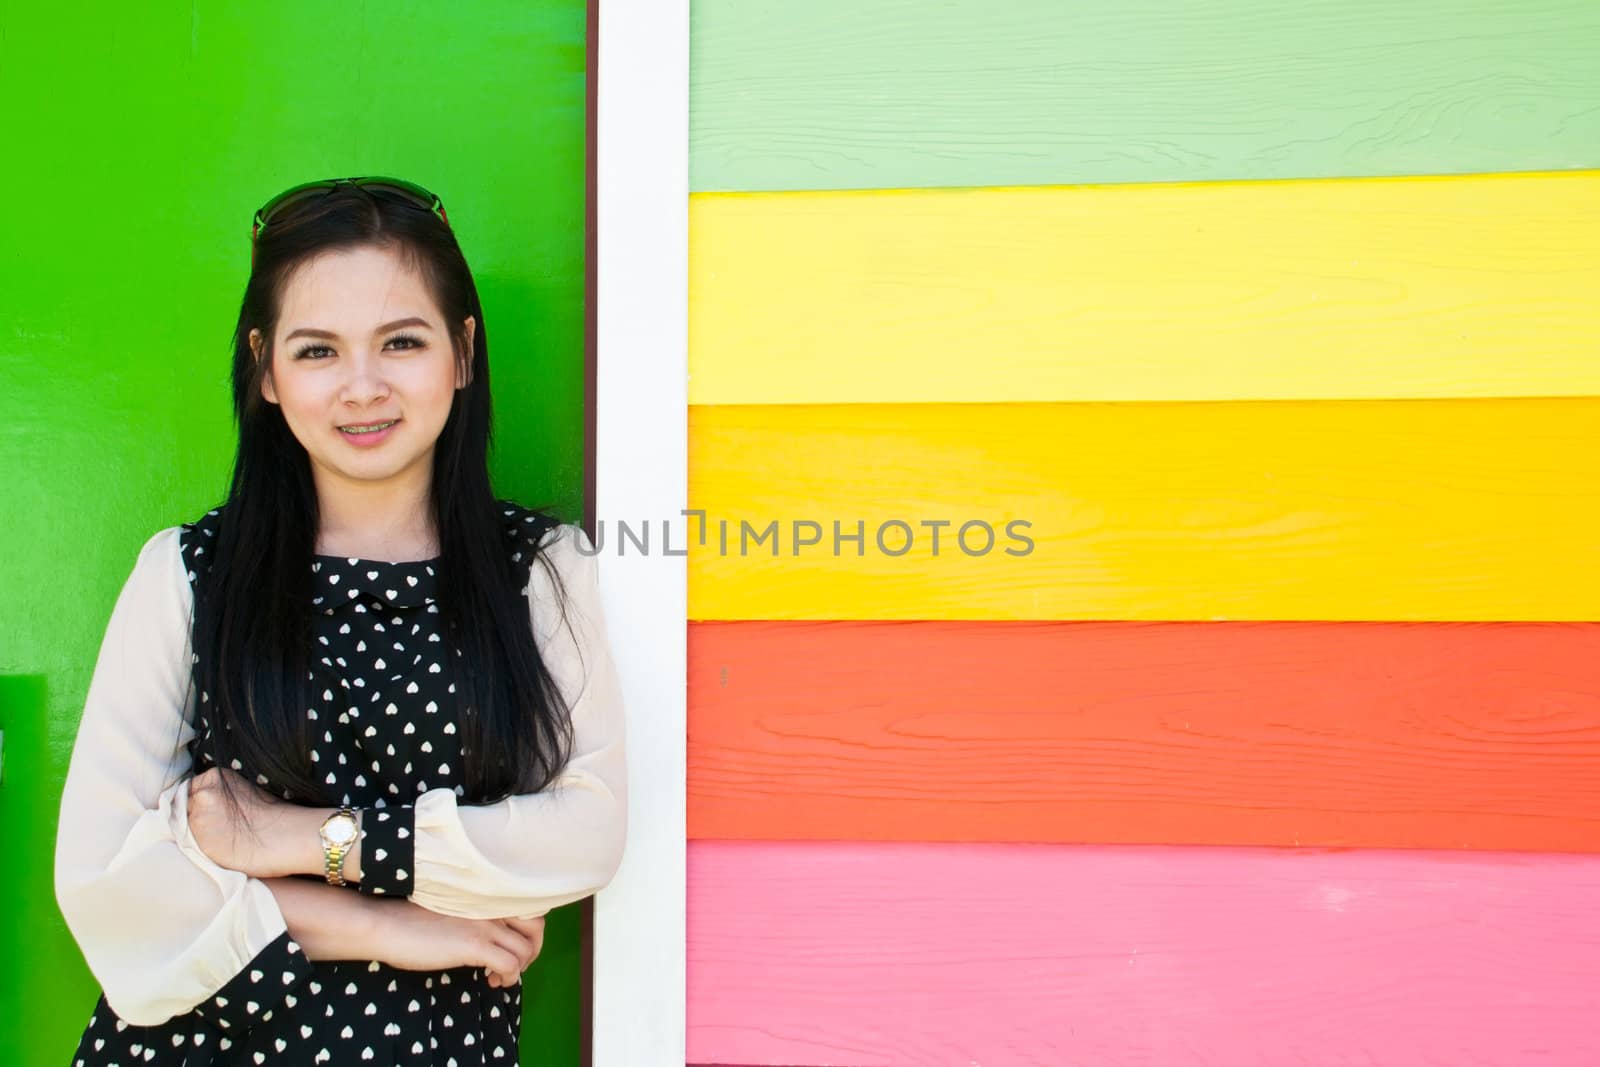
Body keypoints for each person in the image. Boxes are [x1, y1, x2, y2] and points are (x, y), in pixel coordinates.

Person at [54, 177, 628, 1066]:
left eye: (401, 341)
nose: (363, 387)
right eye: (317, 350)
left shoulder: (541, 569)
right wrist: (392, 926)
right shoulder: (189, 573)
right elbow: (101, 874)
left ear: (463, 352)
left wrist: (299, 840)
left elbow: (584, 834)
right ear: (266, 369)